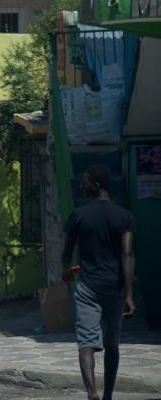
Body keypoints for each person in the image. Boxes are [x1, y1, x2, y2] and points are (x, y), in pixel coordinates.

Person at [62, 165, 136, 400]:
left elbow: (67, 249)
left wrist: (65, 270)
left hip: (88, 287)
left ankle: (92, 391)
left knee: (86, 342)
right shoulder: (124, 216)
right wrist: (128, 294)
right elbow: (127, 253)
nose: (83, 185)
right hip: (114, 289)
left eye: (86, 181)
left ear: (97, 185)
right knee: (112, 345)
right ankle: (107, 396)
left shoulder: (79, 215)